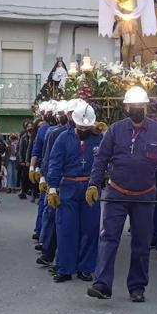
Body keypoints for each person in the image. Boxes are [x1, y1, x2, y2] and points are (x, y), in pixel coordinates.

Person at [86, 86, 157, 303]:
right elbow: (101, 159)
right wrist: (93, 184)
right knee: (108, 238)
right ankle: (102, 284)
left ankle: (137, 287)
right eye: (134, 106)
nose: (137, 109)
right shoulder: (114, 130)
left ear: (146, 107)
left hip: (145, 197)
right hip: (116, 194)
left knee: (141, 243)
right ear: (126, 107)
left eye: (141, 106)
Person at [46, 102, 103, 283]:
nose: (84, 129)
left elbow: (106, 160)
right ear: (75, 123)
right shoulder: (63, 139)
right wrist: (52, 188)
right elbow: (54, 164)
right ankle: (65, 268)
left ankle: (85, 267)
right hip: (68, 187)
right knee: (66, 229)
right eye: (81, 126)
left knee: (90, 229)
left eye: (88, 126)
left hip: (90, 188)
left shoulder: (98, 139)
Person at [36, 100, 74, 268]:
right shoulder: (54, 133)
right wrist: (46, 179)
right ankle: (48, 252)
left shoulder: (88, 135)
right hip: (58, 181)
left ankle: (65, 259)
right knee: (53, 217)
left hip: (74, 183)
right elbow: (49, 158)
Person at [29, 101, 56, 240]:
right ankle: (42, 233)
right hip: (47, 170)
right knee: (45, 203)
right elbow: (37, 149)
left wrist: (33, 167)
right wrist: (33, 167)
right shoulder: (46, 130)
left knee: (45, 203)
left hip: (46, 170)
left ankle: (41, 233)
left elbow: (36, 150)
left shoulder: (45, 129)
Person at [18, 121, 34, 200]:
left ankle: (33, 191)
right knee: (24, 177)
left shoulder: (35, 136)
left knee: (33, 177)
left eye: (31, 126)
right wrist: (21, 161)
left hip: (33, 160)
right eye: (28, 126)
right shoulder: (23, 137)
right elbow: (20, 150)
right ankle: (23, 191)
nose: (30, 128)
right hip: (25, 160)